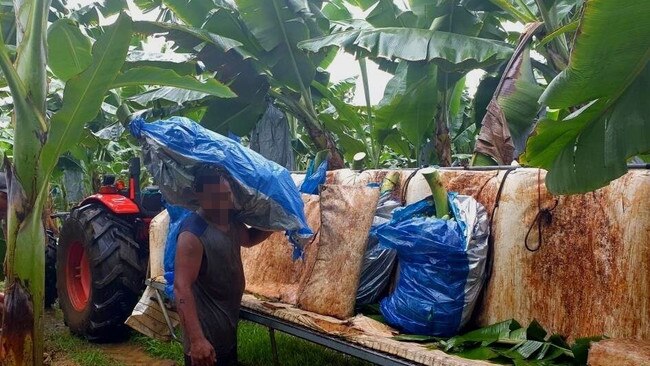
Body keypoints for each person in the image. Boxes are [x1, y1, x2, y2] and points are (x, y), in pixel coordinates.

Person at [174, 169, 272, 366]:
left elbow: (249, 239)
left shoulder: (230, 221)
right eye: (217, 197)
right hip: (205, 338)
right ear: (201, 197)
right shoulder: (193, 234)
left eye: (226, 196)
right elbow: (181, 287)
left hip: (225, 330)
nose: (224, 202)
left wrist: (279, 222)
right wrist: (196, 340)